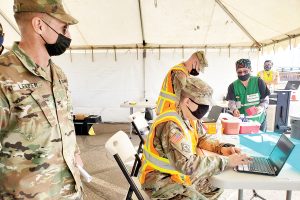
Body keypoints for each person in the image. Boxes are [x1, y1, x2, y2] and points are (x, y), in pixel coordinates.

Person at [0, 0, 83, 199]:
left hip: (70, 192)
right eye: (64, 27)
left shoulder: (59, 74)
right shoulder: (4, 77)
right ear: (39, 25)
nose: (68, 36)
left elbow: (65, 124)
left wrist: (75, 153)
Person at [139, 77, 251, 199]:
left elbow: (202, 138)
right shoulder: (171, 126)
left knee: (216, 186)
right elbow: (188, 165)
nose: (205, 109)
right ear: (187, 101)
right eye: (203, 105)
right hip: (160, 181)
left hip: (177, 174)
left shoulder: (190, 116)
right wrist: (227, 161)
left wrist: (222, 149)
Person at [156, 51, 208, 115]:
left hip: (168, 109)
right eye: (199, 69)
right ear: (195, 63)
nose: (198, 72)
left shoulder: (183, 70)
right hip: (168, 111)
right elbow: (183, 97)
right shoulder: (180, 73)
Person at [226, 59, 270, 132]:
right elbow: (231, 103)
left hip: (258, 121)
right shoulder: (232, 86)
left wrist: (260, 107)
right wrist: (234, 110)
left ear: (250, 69)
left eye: (245, 71)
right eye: (239, 72)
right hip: (242, 122)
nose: (242, 74)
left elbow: (265, 100)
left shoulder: (259, 82)